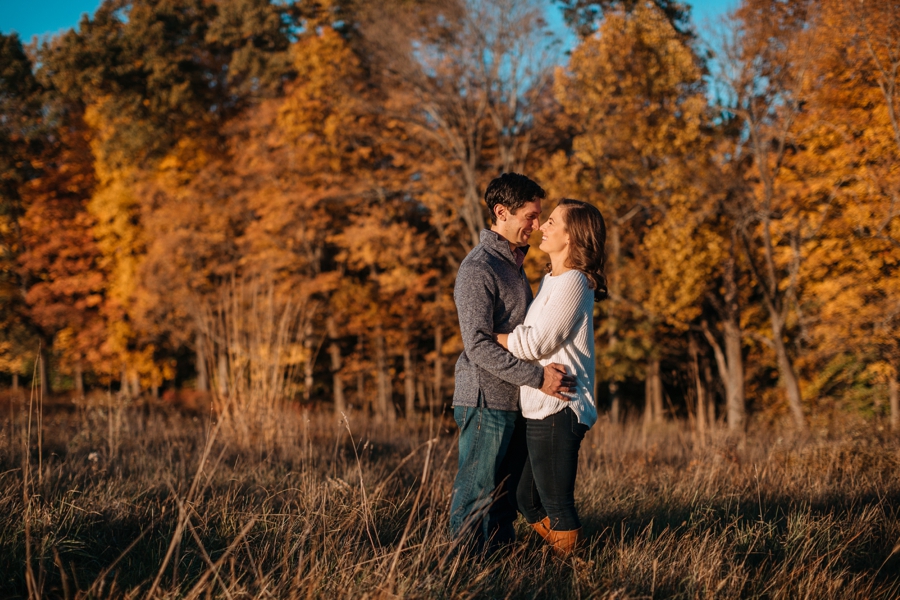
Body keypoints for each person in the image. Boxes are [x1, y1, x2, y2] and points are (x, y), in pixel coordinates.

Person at [450, 173, 575, 554]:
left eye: (540, 217)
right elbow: (477, 346)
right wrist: (537, 378)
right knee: (476, 493)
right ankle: (462, 572)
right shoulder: (479, 268)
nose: (536, 226)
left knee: (503, 497)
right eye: (531, 217)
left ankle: (500, 566)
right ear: (501, 213)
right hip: (485, 399)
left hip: (514, 398)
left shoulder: (515, 265)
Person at [495, 199, 608, 556]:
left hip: (561, 407)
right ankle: (563, 558)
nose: (543, 225)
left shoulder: (574, 282)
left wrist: (487, 336)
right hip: (541, 406)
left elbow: (535, 342)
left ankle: (576, 572)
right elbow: (532, 339)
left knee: (556, 503)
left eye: (553, 221)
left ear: (572, 236)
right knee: (526, 499)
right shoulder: (553, 281)